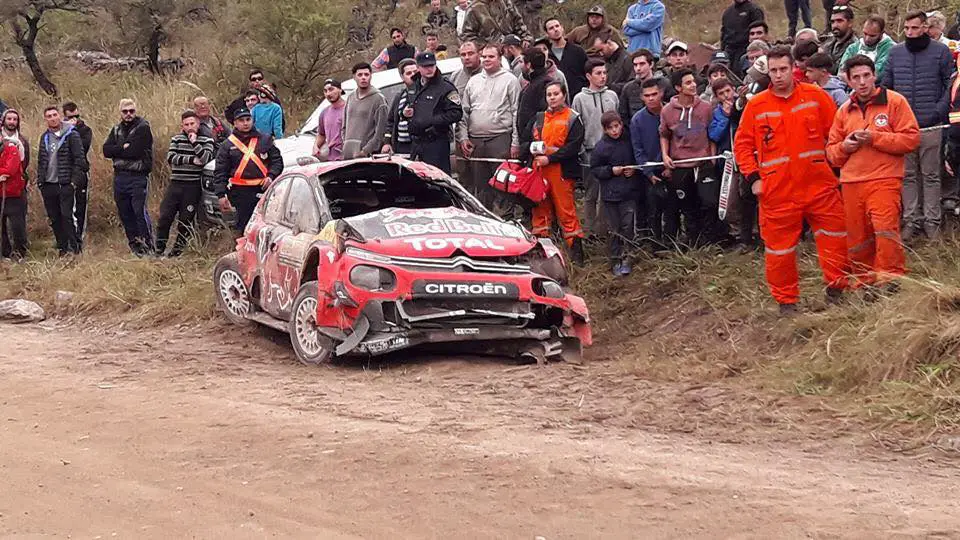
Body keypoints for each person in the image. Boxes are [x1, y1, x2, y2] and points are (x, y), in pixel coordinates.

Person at [733, 46, 848, 313]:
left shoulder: (815, 96)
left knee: (835, 236)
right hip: (777, 190)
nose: (779, 75)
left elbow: (835, 134)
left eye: (783, 69)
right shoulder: (757, 105)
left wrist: (837, 168)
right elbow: (742, 146)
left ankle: (837, 287)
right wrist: (753, 179)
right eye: (773, 71)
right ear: (768, 73)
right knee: (779, 251)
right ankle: (787, 301)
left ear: (792, 68)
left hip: (819, 183)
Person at [827, 54, 919, 291]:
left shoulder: (895, 102)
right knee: (858, 237)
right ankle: (864, 280)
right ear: (848, 80)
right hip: (851, 182)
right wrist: (845, 147)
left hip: (884, 178)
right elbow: (832, 153)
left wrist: (875, 138)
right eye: (856, 77)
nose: (862, 82)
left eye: (866, 75)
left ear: (874, 75)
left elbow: (910, 140)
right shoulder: (844, 111)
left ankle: (890, 279)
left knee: (885, 230)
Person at [882, 11, 954, 241]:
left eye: (915, 28)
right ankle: (912, 219)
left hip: (931, 125)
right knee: (908, 175)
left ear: (925, 27)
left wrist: (938, 111)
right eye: (907, 29)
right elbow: (887, 84)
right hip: (902, 127)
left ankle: (933, 222)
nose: (911, 32)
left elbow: (949, 84)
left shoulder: (941, 51)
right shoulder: (895, 53)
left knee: (931, 175)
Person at [519, 81, 585, 263]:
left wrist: (550, 157)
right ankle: (542, 255)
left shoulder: (573, 118)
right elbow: (524, 142)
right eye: (549, 94)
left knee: (566, 212)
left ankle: (576, 255)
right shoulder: (538, 118)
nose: (552, 97)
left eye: (556, 94)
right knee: (540, 213)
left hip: (561, 172)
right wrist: (534, 149)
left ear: (564, 95)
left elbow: (573, 147)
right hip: (538, 171)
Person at [458, 45, 521, 211]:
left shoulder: (510, 80)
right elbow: (464, 112)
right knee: (480, 184)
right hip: (476, 140)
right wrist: (463, 137)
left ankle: (506, 218)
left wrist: (515, 141)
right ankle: (482, 216)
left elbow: (516, 112)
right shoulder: (474, 81)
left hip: (500, 138)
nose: (487, 60)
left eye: (491, 57)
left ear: (499, 58)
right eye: (484, 56)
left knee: (503, 182)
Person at [659, 68, 714, 246]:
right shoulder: (667, 111)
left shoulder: (705, 108)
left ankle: (709, 238)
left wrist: (712, 157)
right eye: (688, 83)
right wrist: (665, 156)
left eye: (694, 81)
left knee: (708, 202)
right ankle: (693, 241)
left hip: (703, 162)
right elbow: (664, 134)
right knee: (687, 205)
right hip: (681, 164)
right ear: (678, 87)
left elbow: (712, 133)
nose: (693, 85)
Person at [213, 107, 283, 232]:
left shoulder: (265, 139)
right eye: (241, 120)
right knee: (244, 227)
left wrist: (271, 176)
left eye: (248, 119)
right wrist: (221, 195)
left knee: (266, 226)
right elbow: (220, 172)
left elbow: (277, 161)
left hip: (264, 190)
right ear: (235, 123)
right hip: (240, 193)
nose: (245, 123)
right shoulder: (227, 145)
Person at [156, 110, 215, 257]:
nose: (189, 127)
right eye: (186, 124)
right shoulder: (176, 139)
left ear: (198, 123)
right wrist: (190, 160)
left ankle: (176, 251)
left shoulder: (207, 141)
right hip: (175, 183)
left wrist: (195, 142)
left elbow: (205, 158)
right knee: (165, 216)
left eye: (192, 124)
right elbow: (171, 158)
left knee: (186, 219)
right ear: (182, 126)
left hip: (193, 186)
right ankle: (159, 248)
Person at [574, 58, 619, 241]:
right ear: (588, 76)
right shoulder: (580, 99)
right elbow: (577, 126)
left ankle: (605, 229)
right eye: (598, 73)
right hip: (590, 151)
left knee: (608, 193)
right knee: (591, 193)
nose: (602, 77)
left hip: (611, 150)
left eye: (604, 73)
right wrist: (582, 149)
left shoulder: (612, 96)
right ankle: (590, 230)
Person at [102, 99, 154, 256]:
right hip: (120, 177)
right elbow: (106, 150)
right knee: (125, 212)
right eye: (125, 111)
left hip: (138, 176)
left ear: (135, 111)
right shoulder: (116, 129)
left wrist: (118, 150)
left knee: (139, 211)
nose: (129, 114)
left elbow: (135, 151)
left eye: (131, 111)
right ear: (120, 112)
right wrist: (122, 147)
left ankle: (147, 246)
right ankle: (134, 246)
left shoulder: (143, 127)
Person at [590, 111, 638, 275]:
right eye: (610, 128)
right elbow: (595, 169)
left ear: (621, 125)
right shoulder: (600, 148)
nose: (615, 131)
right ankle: (615, 259)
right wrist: (610, 171)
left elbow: (637, 159)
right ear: (605, 130)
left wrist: (633, 169)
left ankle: (628, 257)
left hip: (628, 192)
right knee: (614, 228)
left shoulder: (629, 141)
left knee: (628, 226)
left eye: (616, 126)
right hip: (610, 195)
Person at [38, 106, 87, 256]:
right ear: (45, 119)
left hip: (65, 183)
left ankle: (75, 248)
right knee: (54, 218)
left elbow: (80, 160)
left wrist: (73, 182)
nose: (52, 118)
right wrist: (40, 181)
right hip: (48, 184)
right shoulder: (45, 137)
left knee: (68, 216)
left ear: (59, 116)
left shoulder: (72, 135)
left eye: (54, 115)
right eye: (49, 116)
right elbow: (41, 160)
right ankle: (62, 248)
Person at [408, 52, 462, 173]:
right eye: (425, 66)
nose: (429, 69)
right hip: (417, 142)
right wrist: (405, 114)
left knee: (437, 179)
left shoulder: (445, 87)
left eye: (432, 65)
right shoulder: (414, 85)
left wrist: (433, 120)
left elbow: (456, 113)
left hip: (436, 141)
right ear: (418, 67)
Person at [630, 79, 667, 246]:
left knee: (673, 208)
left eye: (654, 94)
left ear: (661, 93)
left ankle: (672, 239)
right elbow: (637, 149)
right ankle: (653, 242)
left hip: (672, 166)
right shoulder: (637, 120)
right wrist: (649, 173)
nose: (651, 98)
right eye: (647, 95)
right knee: (652, 208)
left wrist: (669, 166)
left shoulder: (671, 112)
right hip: (649, 170)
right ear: (642, 98)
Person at [341, 62, 389, 160]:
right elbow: (344, 125)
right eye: (360, 75)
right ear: (354, 77)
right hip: (348, 153)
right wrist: (345, 144)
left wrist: (365, 151)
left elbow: (381, 131)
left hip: (366, 155)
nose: (363, 77)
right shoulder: (350, 97)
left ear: (371, 76)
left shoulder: (379, 99)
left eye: (366, 74)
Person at [62, 102, 92, 251]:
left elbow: (82, 147)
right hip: (63, 173)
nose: (74, 119)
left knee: (80, 208)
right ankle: (67, 240)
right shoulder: (58, 131)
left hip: (80, 172)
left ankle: (79, 241)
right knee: (65, 209)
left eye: (77, 116)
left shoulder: (85, 130)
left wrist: (73, 129)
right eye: (70, 117)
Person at [1, 109, 29, 259]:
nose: (12, 122)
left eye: (15, 119)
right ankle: (4, 252)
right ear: (4, 120)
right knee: (1, 225)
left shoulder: (22, 141)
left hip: (17, 189)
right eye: (9, 119)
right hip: (0, 188)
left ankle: (20, 252)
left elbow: (25, 163)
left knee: (18, 224)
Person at [544, 18, 589, 100]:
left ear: (562, 28)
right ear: (547, 33)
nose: (555, 29)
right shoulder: (546, 56)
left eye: (557, 26)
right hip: (557, 100)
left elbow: (588, 72)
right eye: (551, 28)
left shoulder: (577, 51)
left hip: (579, 97)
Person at [840, 15, 895, 80]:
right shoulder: (853, 47)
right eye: (865, 34)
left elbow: (878, 73)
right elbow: (841, 72)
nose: (867, 39)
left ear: (881, 33)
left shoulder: (891, 48)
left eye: (872, 36)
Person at [382, 60, 419, 157]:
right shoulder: (399, 96)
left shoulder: (426, 93)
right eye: (408, 73)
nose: (413, 75)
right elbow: (390, 121)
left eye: (415, 72)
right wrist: (387, 142)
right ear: (402, 77)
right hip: (401, 147)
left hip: (419, 146)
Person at [619, 49, 667, 120]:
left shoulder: (664, 84)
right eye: (635, 65)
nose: (638, 68)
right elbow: (623, 116)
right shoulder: (628, 88)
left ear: (651, 64)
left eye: (642, 64)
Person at [460, 0, 533, 46]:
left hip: (514, 46)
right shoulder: (473, 9)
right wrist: (485, 47)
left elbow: (518, 21)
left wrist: (526, 38)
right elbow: (467, 36)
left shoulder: (506, 2)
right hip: (490, 53)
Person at [517, 48, 552, 140]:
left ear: (528, 65)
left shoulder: (544, 84)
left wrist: (528, 131)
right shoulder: (531, 84)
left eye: (521, 62)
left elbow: (544, 113)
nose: (519, 65)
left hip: (537, 140)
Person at [720, 0, 765, 71]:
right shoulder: (727, 13)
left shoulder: (754, 10)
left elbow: (759, 31)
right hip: (729, 52)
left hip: (746, 50)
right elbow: (723, 34)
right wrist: (722, 51)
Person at [314, 79, 346, 161]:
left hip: (347, 158)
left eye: (331, 89)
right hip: (331, 159)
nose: (328, 93)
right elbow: (321, 134)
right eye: (325, 91)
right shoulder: (324, 113)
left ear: (340, 90)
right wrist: (315, 147)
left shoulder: (349, 109)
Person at [822, 6, 856, 73]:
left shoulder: (855, 47)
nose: (835, 25)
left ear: (850, 23)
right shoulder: (827, 44)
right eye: (832, 22)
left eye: (839, 21)